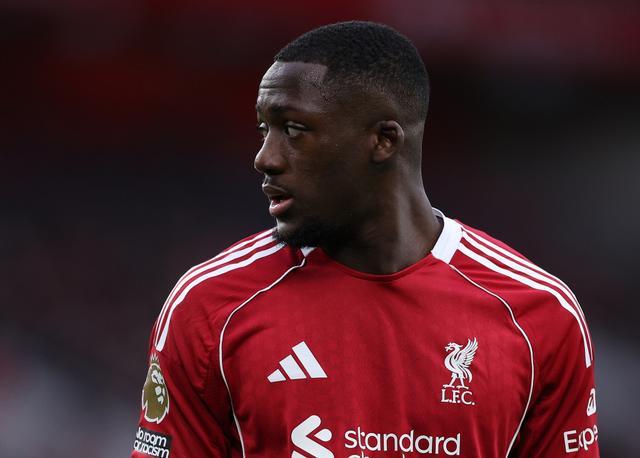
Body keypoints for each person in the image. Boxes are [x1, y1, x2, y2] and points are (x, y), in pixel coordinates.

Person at [131, 21, 599, 457]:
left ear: (384, 140)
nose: (265, 157)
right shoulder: (211, 306)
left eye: (293, 129)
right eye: (264, 129)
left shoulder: (539, 314)